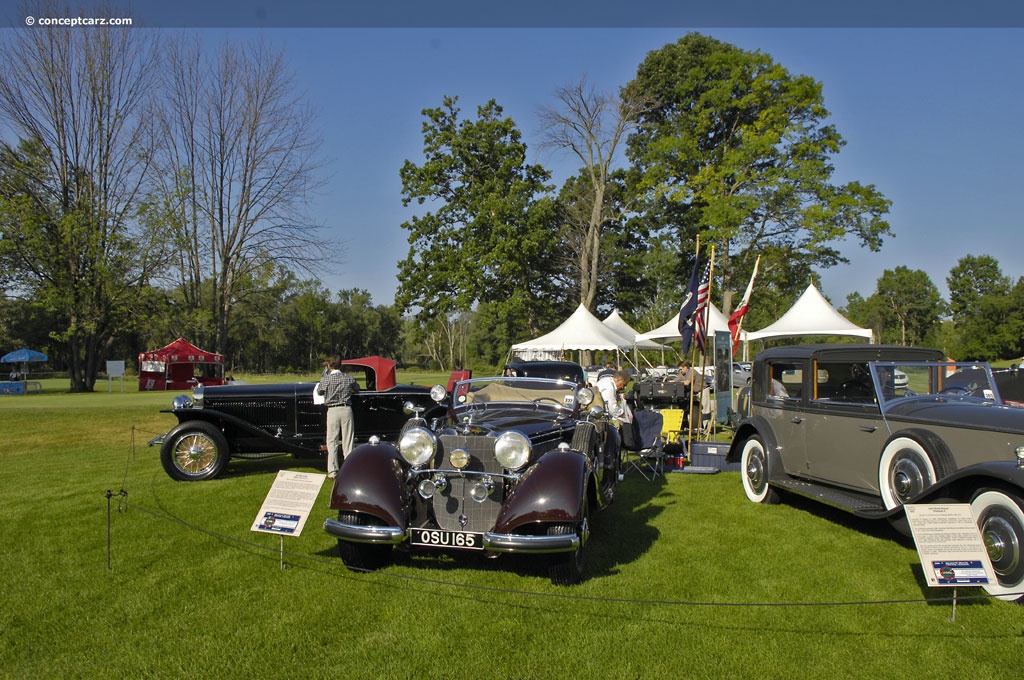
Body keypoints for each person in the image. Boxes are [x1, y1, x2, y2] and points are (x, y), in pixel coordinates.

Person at [317, 355, 359, 479]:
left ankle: (332, 470)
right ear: (341, 365)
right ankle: (349, 468)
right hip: (346, 409)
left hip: (333, 410)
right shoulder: (348, 378)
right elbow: (357, 387)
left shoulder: (326, 379)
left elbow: (320, 391)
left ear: (329, 366)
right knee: (348, 441)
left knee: (332, 441)